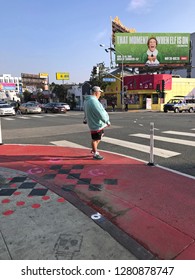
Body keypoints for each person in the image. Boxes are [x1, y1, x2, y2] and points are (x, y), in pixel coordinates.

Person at [83, 86, 111, 160]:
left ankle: (94, 149)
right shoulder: (94, 101)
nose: (100, 94)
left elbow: (85, 110)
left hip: (93, 122)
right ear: (96, 92)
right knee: (95, 139)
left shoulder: (87, 100)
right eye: (100, 92)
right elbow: (100, 113)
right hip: (96, 124)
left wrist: (85, 118)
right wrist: (107, 121)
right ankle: (95, 153)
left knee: (99, 136)